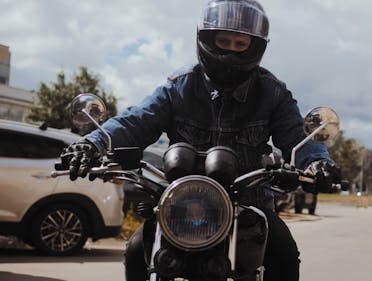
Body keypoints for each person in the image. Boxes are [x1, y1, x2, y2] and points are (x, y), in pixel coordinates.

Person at [62, 0, 340, 280]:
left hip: (249, 205)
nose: (230, 50)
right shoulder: (179, 86)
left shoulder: (273, 93)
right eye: (223, 40)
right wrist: (92, 144)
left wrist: (317, 162)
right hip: (180, 207)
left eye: (239, 43)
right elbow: (136, 121)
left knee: (283, 250)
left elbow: (296, 135)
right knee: (137, 248)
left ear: (254, 46)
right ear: (206, 39)